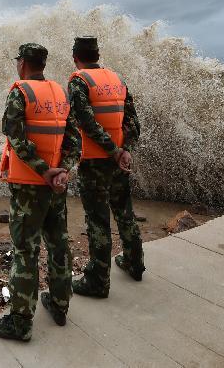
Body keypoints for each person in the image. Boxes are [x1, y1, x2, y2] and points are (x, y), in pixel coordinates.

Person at [0, 43, 80, 342]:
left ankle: (21, 323)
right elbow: (74, 139)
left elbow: (14, 135)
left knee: (25, 251)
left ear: (23, 63)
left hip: (30, 185)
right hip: (57, 185)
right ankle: (60, 305)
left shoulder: (21, 91)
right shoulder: (61, 92)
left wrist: (43, 170)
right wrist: (62, 170)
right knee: (58, 243)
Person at [67, 36, 144, 298]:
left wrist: (113, 152)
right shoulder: (116, 79)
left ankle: (98, 281)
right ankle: (135, 263)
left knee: (98, 221)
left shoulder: (79, 81)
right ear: (97, 55)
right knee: (125, 213)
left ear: (76, 56)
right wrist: (125, 152)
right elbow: (133, 122)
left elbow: (86, 122)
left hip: (95, 163)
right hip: (119, 160)